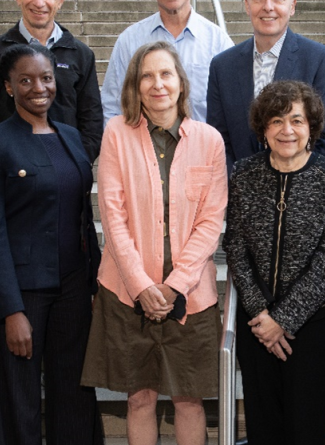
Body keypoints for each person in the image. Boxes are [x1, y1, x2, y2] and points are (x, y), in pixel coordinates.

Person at [81, 41, 227, 445]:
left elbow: (211, 221)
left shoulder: (209, 140)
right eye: (147, 75)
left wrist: (174, 284)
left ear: (180, 82)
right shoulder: (116, 134)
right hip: (128, 290)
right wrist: (142, 285)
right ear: (135, 85)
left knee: (189, 401)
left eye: (165, 74)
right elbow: (113, 214)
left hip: (191, 293)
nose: (157, 84)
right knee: (139, 399)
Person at [0, 43, 103, 445]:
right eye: (24, 80)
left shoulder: (71, 136)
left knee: (75, 393)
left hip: (74, 289)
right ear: (9, 88)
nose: (38, 87)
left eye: (45, 78)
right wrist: (10, 310)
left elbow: (82, 214)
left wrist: (94, 283)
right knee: (18, 400)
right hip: (24, 294)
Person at [224, 80, 325, 445]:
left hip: (312, 326)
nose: (287, 130)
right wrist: (262, 315)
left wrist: (284, 319)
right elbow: (235, 245)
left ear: (311, 127)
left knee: (305, 425)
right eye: (277, 120)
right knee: (263, 425)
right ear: (263, 128)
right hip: (256, 322)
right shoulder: (244, 174)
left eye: (297, 120)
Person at [207, 0, 325, 169]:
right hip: (241, 192)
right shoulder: (222, 66)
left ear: (292, 6)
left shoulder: (319, 59)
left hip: (303, 193)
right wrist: (241, 186)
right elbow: (218, 140)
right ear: (247, 5)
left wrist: (291, 188)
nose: (268, 7)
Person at [0, 0, 102, 160]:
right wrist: (4, 164)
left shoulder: (81, 55)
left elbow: (92, 122)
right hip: (13, 175)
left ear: (61, 0)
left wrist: (76, 163)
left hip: (68, 171)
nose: (39, 2)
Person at [101, 0, 234, 124]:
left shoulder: (218, 42)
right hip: (143, 150)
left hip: (203, 151)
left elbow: (233, 110)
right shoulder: (129, 41)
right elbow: (112, 108)